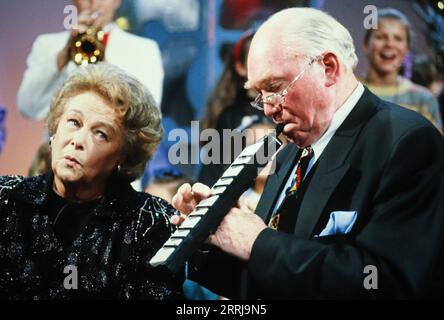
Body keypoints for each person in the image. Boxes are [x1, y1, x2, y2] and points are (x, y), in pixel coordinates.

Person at [171, 8, 444, 299]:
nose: (267, 108)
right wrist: (211, 235)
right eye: (259, 95)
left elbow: (383, 283)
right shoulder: (290, 153)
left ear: (328, 67)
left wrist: (257, 242)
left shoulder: (407, 142)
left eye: (275, 88)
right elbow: (265, 278)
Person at [0, 63, 183, 299]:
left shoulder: (150, 221)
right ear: (55, 130)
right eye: (74, 122)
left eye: (101, 134)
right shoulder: (5, 199)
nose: (78, 141)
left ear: (124, 155)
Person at [17, 0, 164, 119]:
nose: (94, 3)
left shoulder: (144, 49)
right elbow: (27, 108)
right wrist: (61, 59)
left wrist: (105, 64)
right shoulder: (47, 44)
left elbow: (149, 115)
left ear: (117, 1)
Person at [198, 29, 269, 186]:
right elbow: (212, 176)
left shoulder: (289, 107)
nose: (266, 66)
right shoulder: (228, 117)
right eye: (256, 61)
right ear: (240, 67)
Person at [361, 7, 442, 132]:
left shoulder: (424, 100)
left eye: (398, 39)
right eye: (381, 37)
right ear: (366, 45)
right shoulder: (348, 92)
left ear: (407, 50)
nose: (390, 44)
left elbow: (433, 149)